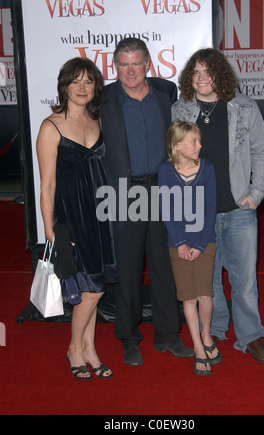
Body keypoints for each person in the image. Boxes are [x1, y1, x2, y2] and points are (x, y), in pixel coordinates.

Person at [172, 48, 264, 364]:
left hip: (238, 208)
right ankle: (213, 331)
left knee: (244, 279)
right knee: (207, 281)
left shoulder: (244, 107)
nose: (202, 78)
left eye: (208, 72)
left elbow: (262, 153)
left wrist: (256, 193)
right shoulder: (180, 110)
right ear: (189, 78)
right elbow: (174, 158)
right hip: (199, 210)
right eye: (196, 72)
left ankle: (250, 337)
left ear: (220, 75)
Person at [101, 37, 194, 366]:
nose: (130, 71)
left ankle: (168, 335)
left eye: (136, 63)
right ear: (115, 67)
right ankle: (129, 338)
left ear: (147, 65)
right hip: (123, 193)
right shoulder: (104, 98)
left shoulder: (165, 92)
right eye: (123, 64)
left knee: (164, 266)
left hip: (163, 189)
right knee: (127, 269)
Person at [36, 58, 117, 380]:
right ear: (65, 85)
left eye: (88, 82)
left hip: (102, 214)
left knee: (92, 288)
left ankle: (89, 350)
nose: (82, 88)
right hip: (72, 217)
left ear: (96, 87)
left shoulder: (98, 120)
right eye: (76, 81)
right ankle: (74, 347)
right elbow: (47, 184)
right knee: (93, 288)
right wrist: (50, 229)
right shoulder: (50, 126)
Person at [158, 121, 222, 376]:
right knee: (188, 296)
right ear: (177, 145)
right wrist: (181, 242)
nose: (199, 145)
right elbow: (167, 209)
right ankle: (197, 347)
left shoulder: (207, 168)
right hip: (178, 244)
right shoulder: (165, 170)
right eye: (193, 142)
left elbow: (210, 208)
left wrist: (198, 243)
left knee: (205, 294)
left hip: (205, 241)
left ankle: (206, 336)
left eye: (199, 140)